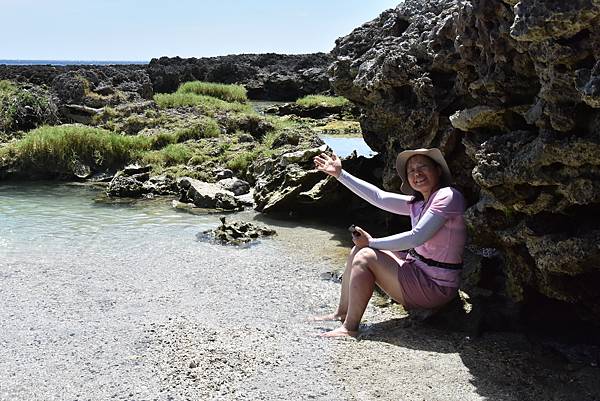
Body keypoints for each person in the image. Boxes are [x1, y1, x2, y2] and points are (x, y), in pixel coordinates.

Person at [312, 148, 466, 338]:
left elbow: (416, 237)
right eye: (411, 170)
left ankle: (349, 328)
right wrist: (340, 174)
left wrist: (371, 243)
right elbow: (379, 197)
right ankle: (341, 313)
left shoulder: (448, 196)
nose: (417, 173)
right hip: (418, 272)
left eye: (423, 167)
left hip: (436, 287)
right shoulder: (418, 203)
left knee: (366, 255)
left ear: (438, 170)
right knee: (358, 249)